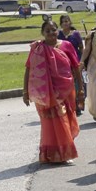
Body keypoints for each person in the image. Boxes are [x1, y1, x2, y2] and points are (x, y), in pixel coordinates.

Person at [23, 20, 83, 164]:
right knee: (52, 122)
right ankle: (56, 154)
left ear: (58, 31)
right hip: (46, 93)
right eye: (47, 31)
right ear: (43, 33)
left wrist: (80, 88)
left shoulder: (66, 45)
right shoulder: (38, 49)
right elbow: (29, 69)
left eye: (53, 30)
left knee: (66, 118)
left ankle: (64, 150)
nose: (51, 33)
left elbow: (75, 68)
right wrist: (25, 92)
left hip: (66, 89)